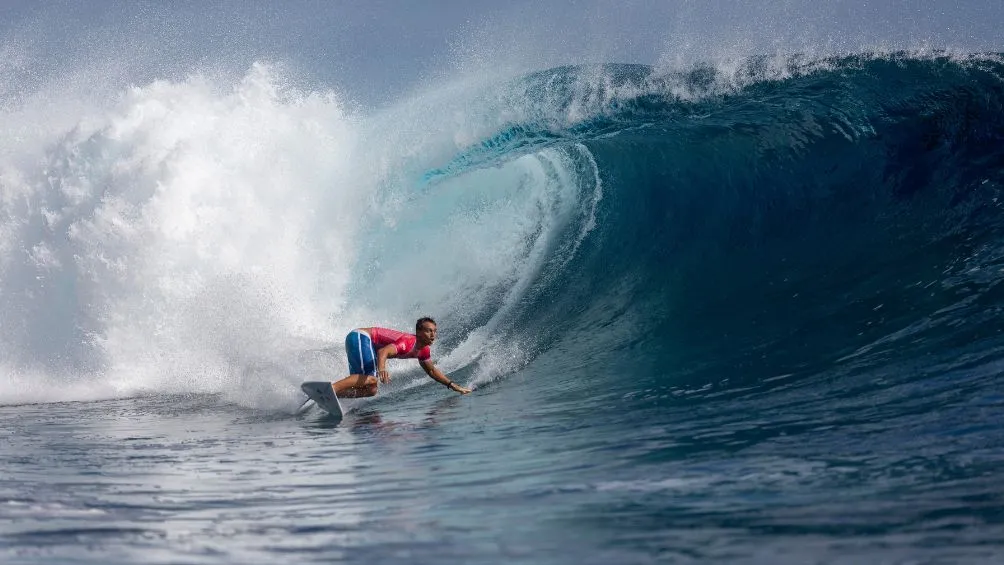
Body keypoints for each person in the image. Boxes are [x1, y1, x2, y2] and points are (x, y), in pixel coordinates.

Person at [331, 317, 472, 398]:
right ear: (418, 332)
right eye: (429, 331)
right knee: (372, 378)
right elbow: (383, 352)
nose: (433, 335)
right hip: (360, 337)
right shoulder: (408, 342)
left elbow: (432, 371)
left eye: (435, 331)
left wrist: (452, 385)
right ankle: (333, 388)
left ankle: (335, 395)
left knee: (371, 389)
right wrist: (381, 369)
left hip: (363, 344)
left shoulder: (424, 350)